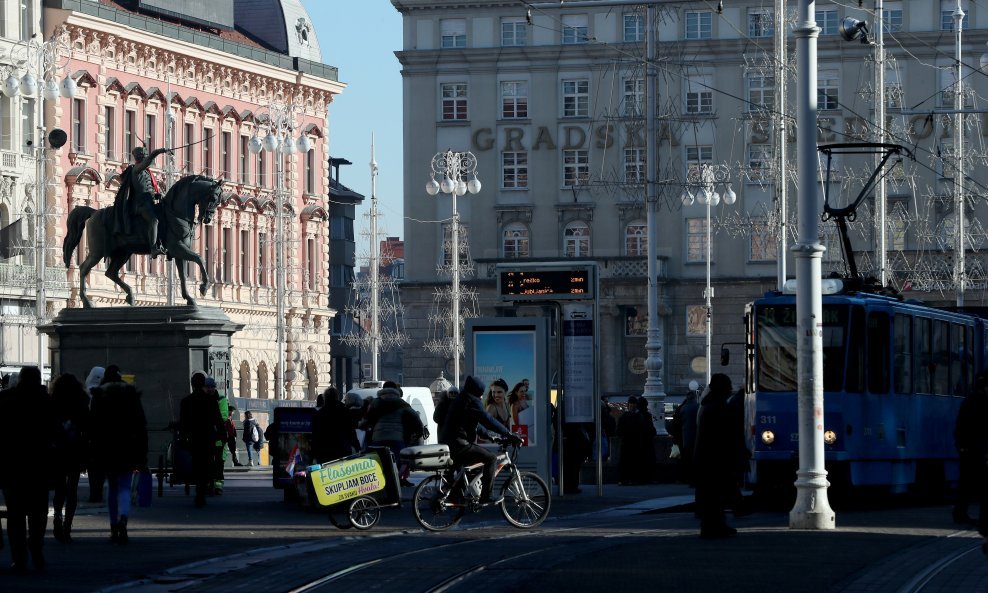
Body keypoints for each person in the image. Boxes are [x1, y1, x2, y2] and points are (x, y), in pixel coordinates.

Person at [0, 366, 55, 571]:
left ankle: (19, 556)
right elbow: (55, 433)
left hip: (12, 465)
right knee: (38, 512)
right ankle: (36, 547)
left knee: (15, 514)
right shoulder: (47, 402)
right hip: (39, 465)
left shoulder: (5, 400)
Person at [439, 376, 521, 506]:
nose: (482, 397)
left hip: (451, 442)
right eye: (480, 394)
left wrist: (489, 436)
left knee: (468, 468)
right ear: (476, 391)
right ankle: (486, 496)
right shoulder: (472, 401)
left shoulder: (462, 399)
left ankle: (456, 496)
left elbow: (474, 423)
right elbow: (487, 419)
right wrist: (508, 434)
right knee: (491, 459)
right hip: (460, 444)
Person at [89, 365, 148, 544]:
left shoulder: (99, 395)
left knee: (112, 487)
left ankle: (114, 526)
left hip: (107, 448)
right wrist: (142, 452)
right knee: (124, 487)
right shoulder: (131, 395)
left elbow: (93, 426)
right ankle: (123, 518)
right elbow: (141, 425)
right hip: (128, 447)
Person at [693, 373, 740, 539]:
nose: (730, 391)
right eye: (728, 388)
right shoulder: (719, 407)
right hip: (715, 460)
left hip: (706, 459)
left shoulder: (707, 405)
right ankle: (714, 526)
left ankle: (713, 525)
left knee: (711, 495)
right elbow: (727, 436)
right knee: (715, 494)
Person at [51, 373, 91, 544]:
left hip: (58, 449)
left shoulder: (53, 400)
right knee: (72, 489)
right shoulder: (82, 400)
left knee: (60, 487)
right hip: (76, 450)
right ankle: (68, 526)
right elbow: (88, 426)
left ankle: (58, 515)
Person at [359, 381, 423, 487]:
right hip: (396, 439)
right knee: (399, 462)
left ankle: (381, 485)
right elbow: (415, 417)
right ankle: (396, 485)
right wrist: (420, 430)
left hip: (378, 438)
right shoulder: (401, 403)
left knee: (380, 463)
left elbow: (367, 419)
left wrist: (362, 426)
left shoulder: (376, 402)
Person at [112, 146, 170, 256]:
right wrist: (160, 151)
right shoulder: (137, 169)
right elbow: (149, 161)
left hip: (149, 202)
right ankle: (153, 248)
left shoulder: (146, 172)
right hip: (141, 204)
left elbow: (147, 188)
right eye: (144, 156)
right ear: (140, 157)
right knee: (154, 221)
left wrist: (156, 195)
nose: (146, 158)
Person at [179, 372, 225, 507]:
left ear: (192, 384)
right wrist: (222, 436)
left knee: (197, 463)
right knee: (207, 463)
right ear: (203, 385)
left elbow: (183, 423)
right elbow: (218, 420)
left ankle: (199, 489)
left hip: (194, 438)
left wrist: (183, 438)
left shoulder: (186, 401)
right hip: (208, 437)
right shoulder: (211, 400)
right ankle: (203, 488)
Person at [955, 371, 988, 528]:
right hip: (978, 448)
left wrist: (960, 446)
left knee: (965, 483)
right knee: (983, 484)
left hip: (966, 448)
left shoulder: (967, 401)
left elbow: (959, 425)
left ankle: (960, 513)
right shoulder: (985, 401)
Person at [311, 387, 359, 464]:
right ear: (337, 397)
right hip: (342, 448)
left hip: (325, 450)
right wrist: (357, 446)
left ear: (325, 398)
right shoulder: (345, 411)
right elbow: (351, 431)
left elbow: (315, 435)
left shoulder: (320, 414)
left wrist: (313, 455)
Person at [84, 366, 106, 504]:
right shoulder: (104, 393)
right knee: (101, 467)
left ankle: (94, 492)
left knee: (92, 468)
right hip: (102, 436)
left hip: (89, 435)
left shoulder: (86, 393)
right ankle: (98, 492)